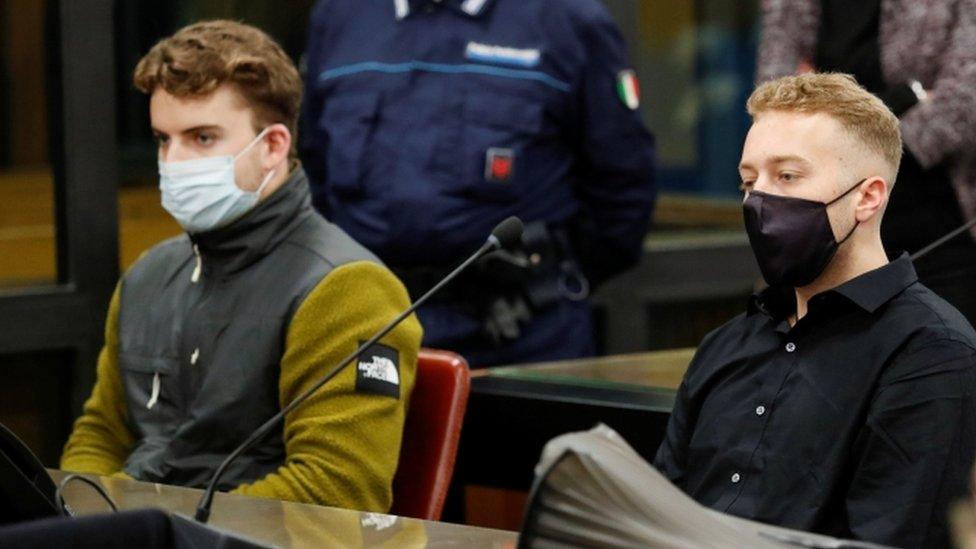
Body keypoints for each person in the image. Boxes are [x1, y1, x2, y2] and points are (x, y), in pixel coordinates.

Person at [60, 20, 422, 513]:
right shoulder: (148, 276)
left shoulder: (347, 289)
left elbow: (335, 492)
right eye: (164, 140)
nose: (175, 161)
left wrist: (157, 531)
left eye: (202, 138)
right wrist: (82, 519)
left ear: (273, 146)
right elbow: (100, 437)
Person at [654, 73, 976, 548]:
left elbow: (890, 536)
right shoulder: (726, 345)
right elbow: (655, 514)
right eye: (748, 180)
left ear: (867, 197)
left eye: (787, 176)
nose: (758, 200)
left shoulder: (931, 354)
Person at [300, 0, 657, 367]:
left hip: (522, 336)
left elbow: (622, 195)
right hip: (372, 329)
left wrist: (540, 280)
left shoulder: (568, 20)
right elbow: (313, 172)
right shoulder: (342, 15)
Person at [756, 0, 976, 326]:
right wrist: (907, 96)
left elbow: (963, 101)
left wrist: (831, 135)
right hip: (826, 239)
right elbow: (775, 105)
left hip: (940, 229)